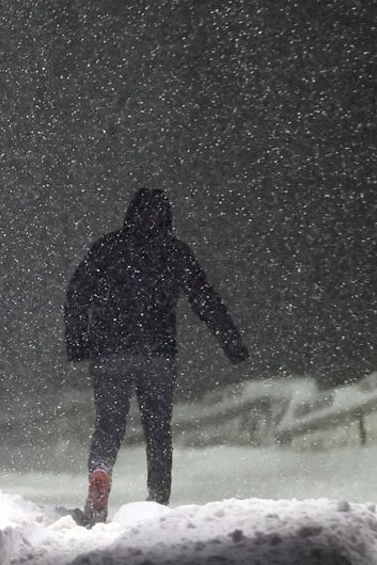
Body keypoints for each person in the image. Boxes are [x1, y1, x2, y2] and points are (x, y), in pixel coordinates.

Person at [64, 188, 248, 525]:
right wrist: (230, 340)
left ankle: (101, 473)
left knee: (109, 423)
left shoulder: (107, 248)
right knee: (158, 430)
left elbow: (77, 294)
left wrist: (77, 341)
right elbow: (204, 299)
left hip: (110, 352)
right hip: (157, 353)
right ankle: (158, 503)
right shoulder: (174, 252)